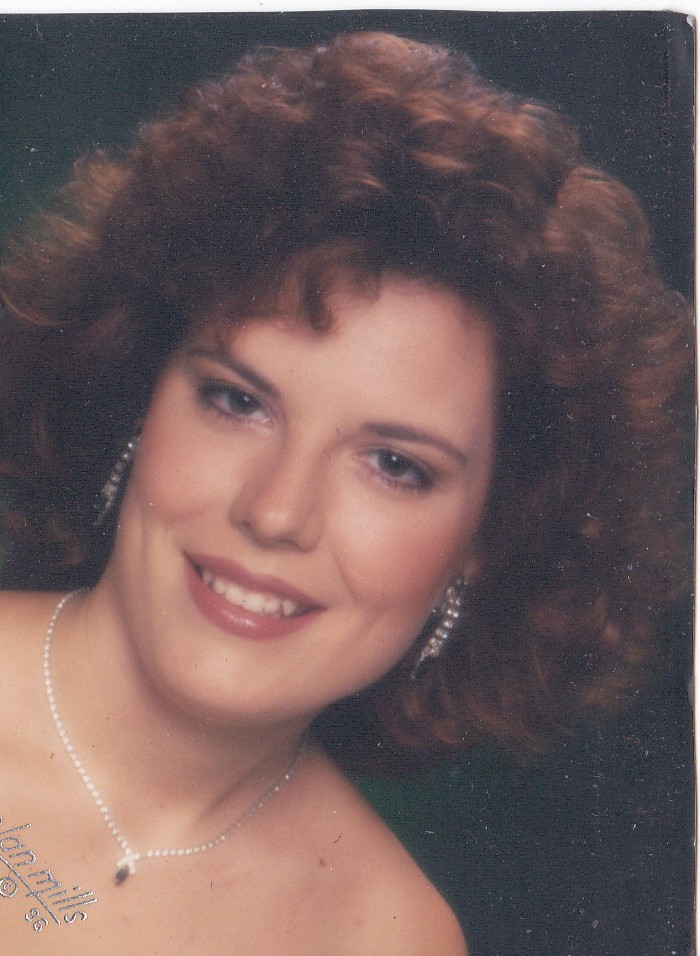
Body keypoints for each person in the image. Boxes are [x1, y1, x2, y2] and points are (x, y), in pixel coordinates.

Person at [0, 31, 691, 954]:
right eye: (238, 401)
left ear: (487, 540)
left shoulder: (391, 936)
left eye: (395, 465)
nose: (276, 512)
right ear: (139, 393)